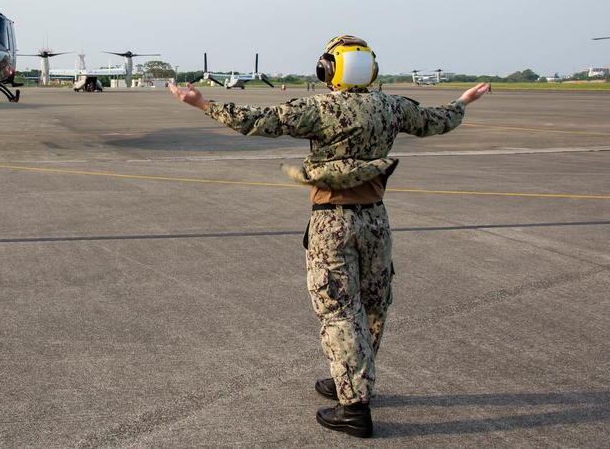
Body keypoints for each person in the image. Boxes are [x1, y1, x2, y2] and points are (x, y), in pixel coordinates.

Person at [167, 35, 490, 438]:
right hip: (376, 221)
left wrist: (202, 103)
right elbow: (438, 121)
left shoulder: (317, 109)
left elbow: (257, 120)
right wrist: (464, 101)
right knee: (373, 303)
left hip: (332, 223)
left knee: (339, 310)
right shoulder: (391, 106)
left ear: (328, 70)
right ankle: (351, 377)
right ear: (370, 69)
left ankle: (354, 406)